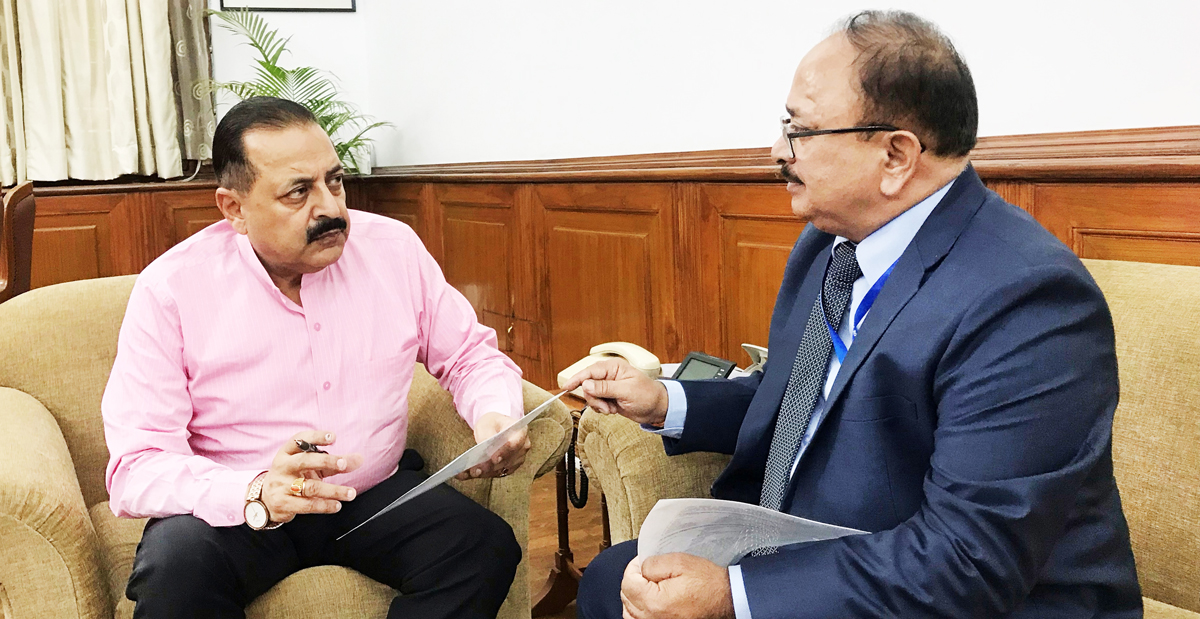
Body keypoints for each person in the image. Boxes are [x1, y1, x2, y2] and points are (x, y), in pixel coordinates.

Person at [569, 10, 1141, 619]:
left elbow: (969, 562)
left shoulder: (1026, 302)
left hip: (961, 593)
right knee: (611, 579)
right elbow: (796, 400)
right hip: (824, 550)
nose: (777, 152)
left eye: (801, 130)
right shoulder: (830, 245)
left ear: (895, 156)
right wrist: (664, 401)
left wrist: (735, 598)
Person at [103, 96, 529, 619]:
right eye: (298, 191)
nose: (330, 208)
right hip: (240, 505)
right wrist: (256, 490)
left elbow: (468, 355)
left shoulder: (393, 249)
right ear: (233, 208)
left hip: (371, 495)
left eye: (335, 181)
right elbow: (136, 465)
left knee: (482, 547)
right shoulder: (172, 289)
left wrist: (494, 413)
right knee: (175, 570)